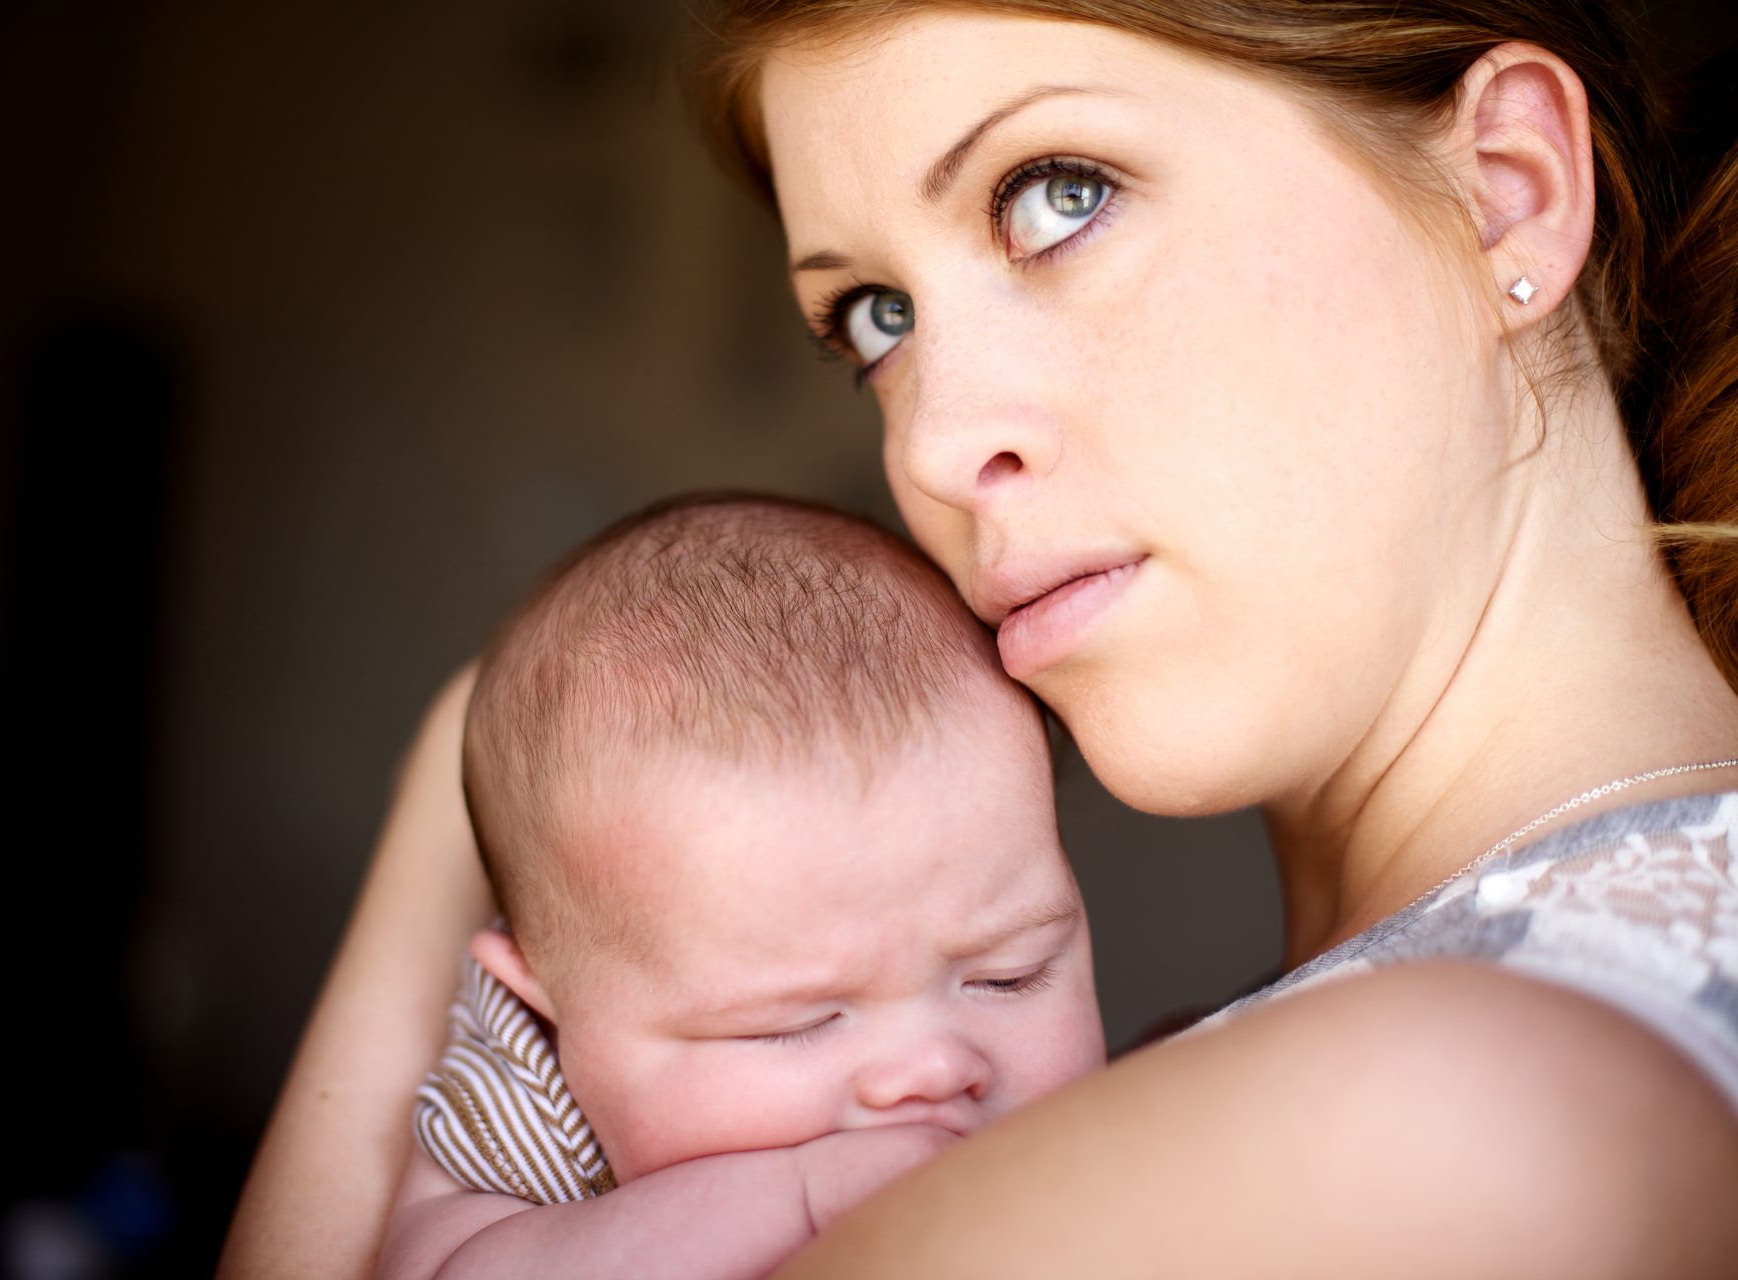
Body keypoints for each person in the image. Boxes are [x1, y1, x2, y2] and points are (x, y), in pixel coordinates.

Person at [219, 1, 1738, 1276]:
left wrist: (473, 753)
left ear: (1505, 186)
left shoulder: (1460, 1119)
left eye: (1057, 193)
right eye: (879, 317)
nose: (936, 444)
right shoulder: (1440, 1046)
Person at [373, 493, 1103, 1279]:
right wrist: (799, 1199)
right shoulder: (527, 1097)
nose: (931, 1068)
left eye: (1008, 977)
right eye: (791, 1024)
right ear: (544, 997)